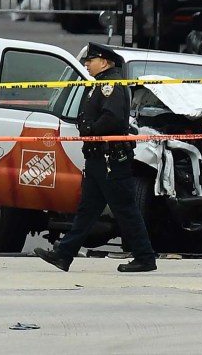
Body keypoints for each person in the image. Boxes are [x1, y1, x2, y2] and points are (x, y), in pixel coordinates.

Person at [34, 44, 157, 273]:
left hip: (110, 161)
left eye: (91, 60)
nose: (87, 64)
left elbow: (111, 118)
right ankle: (64, 255)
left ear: (105, 62)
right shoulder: (100, 85)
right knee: (87, 211)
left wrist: (90, 130)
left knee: (126, 210)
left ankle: (145, 258)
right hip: (97, 160)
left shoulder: (111, 86)